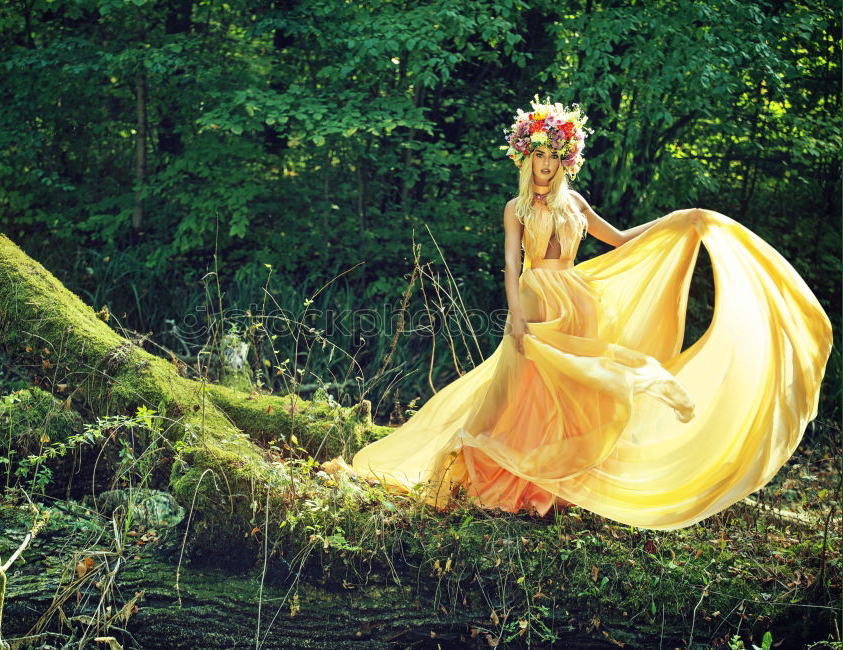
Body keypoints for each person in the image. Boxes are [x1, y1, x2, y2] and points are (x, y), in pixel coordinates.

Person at [342, 96, 833, 530]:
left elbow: (617, 239)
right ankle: (501, 477)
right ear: (526, 156)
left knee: (571, 395)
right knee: (520, 393)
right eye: (540, 154)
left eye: (556, 157)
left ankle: (553, 486)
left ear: (566, 161)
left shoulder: (574, 202)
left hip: (577, 301)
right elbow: (512, 266)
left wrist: (678, 222)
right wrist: (514, 316)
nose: (546, 165)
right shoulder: (516, 208)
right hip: (535, 301)